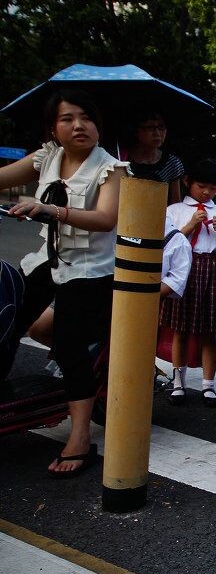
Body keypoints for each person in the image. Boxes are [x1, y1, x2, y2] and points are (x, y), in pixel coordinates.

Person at [0, 90, 127, 476]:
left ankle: (81, 436)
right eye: (67, 118)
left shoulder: (111, 168)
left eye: (85, 117)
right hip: (45, 259)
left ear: (97, 124)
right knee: (9, 321)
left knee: (71, 346)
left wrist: (50, 209)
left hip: (90, 269)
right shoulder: (47, 157)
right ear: (52, 128)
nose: (78, 125)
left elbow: (106, 219)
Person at [160, 159, 216, 407]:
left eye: (212, 188)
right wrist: (190, 225)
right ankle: (179, 382)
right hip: (184, 268)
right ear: (187, 182)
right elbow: (170, 244)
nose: (206, 192)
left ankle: (208, 385)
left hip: (211, 269)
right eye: (201, 186)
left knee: (209, 330)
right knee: (180, 328)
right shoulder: (174, 210)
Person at [124, 110, 184, 204]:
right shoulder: (122, 159)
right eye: (150, 128)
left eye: (161, 127)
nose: (157, 133)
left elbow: (175, 204)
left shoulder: (172, 163)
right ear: (136, 131)